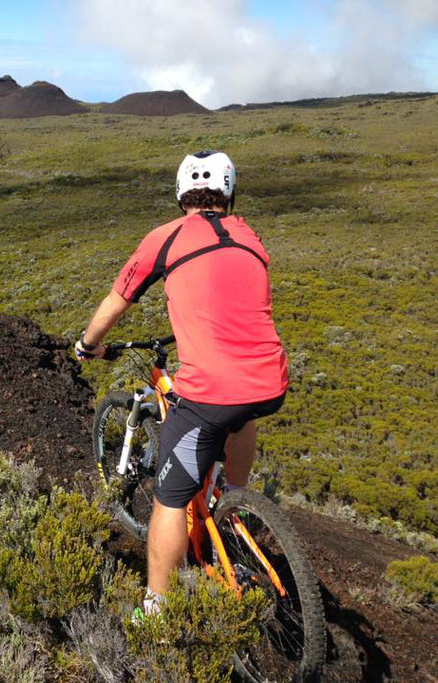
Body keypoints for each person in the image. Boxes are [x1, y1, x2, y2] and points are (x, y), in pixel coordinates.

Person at [75, 150, 288, 614]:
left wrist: (88, 343)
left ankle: (156, 609)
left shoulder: (166, 237)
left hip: (210, 391)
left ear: (180, 193)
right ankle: (232, 500)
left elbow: (118, 300)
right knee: (239, 412)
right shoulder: (249, 235)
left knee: (169, 500)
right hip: (270, 381)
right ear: (229, 194)